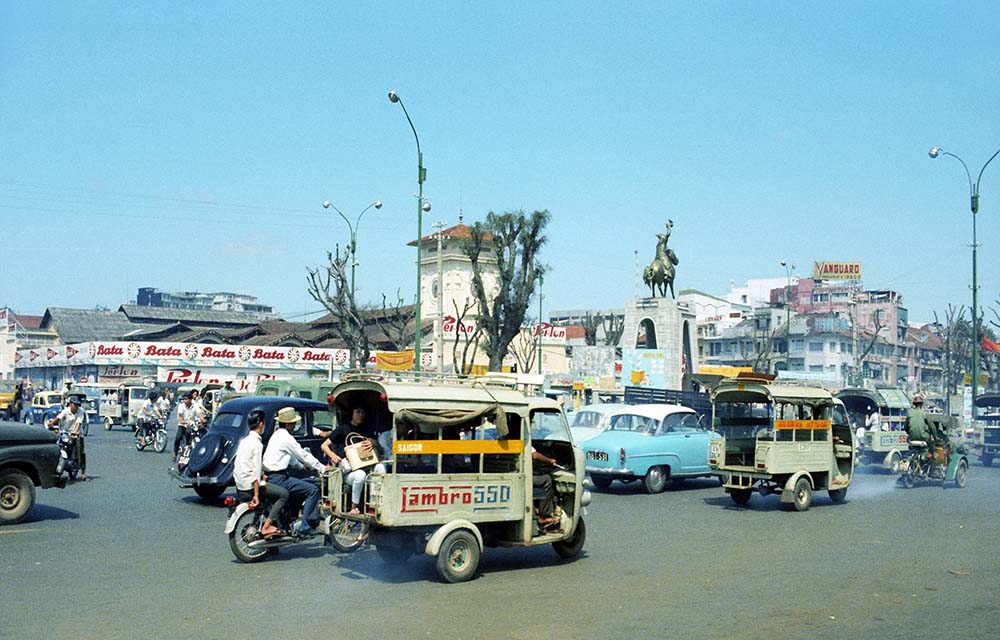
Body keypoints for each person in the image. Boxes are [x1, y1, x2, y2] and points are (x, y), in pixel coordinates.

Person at [261, 407, 328, 536]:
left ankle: (288, 520)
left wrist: (301, 466)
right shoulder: (287, 438)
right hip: (279, 478)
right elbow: (303, 454)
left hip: (270, 476)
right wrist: (321, 467)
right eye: (293, 422)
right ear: (287, 423)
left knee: (300, 485)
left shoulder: (276, 434)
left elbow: (290, 457)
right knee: (312, 489)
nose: (294, 424)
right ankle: (305, 524)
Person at [321, 406, 387, 515]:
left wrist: (373, 442)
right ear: (352, 414)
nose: (361, 415)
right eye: (358, 412)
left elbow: (379, 448)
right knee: (360, 475)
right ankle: (354, 506)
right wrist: (333, 456)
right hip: (349, 471)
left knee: (380, 468)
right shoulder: (343, 429)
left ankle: (377, 503)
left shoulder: (367, 430)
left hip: (366, 466)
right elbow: (324, 445)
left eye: (363, 412)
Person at [233, 411, 288, 537]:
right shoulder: (257, 444)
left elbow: (244, 465)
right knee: (284, 494)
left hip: (240, 486)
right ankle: (267, 526)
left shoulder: (245, 441)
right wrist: (256, 495)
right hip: (250, 488)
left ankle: (273, 538)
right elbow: (255, 471)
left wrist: (261, 476)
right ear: (261, 424)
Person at [48, 395, 87, 481]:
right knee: (57, 445)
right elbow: (58, 417)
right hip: (65, 433)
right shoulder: (66, 411)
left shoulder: (81, 411)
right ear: (70, 404)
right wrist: (51, 423)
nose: (76, 406)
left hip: (77, 434)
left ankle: (83, 472)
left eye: (77, 404)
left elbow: (78, 423)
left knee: (81, 451)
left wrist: (76, 432)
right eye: (74, 404)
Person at [905, 394, 939, 462]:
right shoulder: (925, 413)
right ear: (922, 404)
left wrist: (911, 433)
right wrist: (936, 437)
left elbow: (905, 427)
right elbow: (932, 427)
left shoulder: (909, 413)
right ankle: (934, 454)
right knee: (931, 441)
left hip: (912, 438)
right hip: (923, 438)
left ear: (914, 404)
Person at [531, 447, 559, 528]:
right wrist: (550, 460)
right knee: (547, 479)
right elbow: (535, 455)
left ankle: (536, 507)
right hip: (524, 476)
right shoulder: (523, 440)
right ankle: (544, 515)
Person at [174, 392, 206, 460]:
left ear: (190, 399)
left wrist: (203, 420)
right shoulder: (181, 406)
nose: (184, 401)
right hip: (183, 424)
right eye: (184, 399)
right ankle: (175, 452)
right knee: (178, 437)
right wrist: (184, 423)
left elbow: (199, 414)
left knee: (195, 434)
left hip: (192, 424)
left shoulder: (195, 405)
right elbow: (180, 418)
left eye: (186, 399)